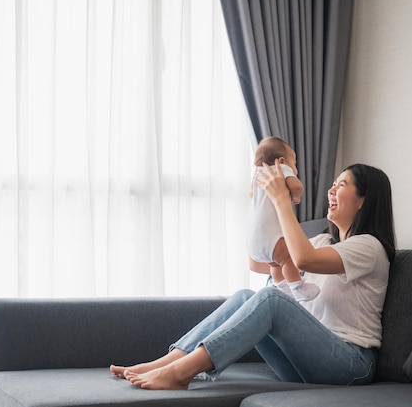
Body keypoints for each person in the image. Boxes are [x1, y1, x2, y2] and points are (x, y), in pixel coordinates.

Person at [110, 162, 396, 390]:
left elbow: (302, 259)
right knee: (248, 296)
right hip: (309, 362)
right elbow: (262, 262)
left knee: (269, 299)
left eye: (341, 185)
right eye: (332, 185)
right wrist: (262, 206)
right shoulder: (323, 242)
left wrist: (282, 200)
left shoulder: (369, 247)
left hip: (351, 365)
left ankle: (181, 372)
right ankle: (167, 361)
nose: (331, 191)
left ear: (363, 200)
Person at [246, 136, 320, 304]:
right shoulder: (280, 169)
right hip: (270, 236)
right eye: (295, 164)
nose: (295, 169)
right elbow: (297, 186)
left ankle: (283, 287)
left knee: (275, 264)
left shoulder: (258, 174)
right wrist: (296, 194)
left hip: (254, 242)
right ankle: (298, 287)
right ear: (282, 160)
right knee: (287, 258)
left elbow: (251, 195)